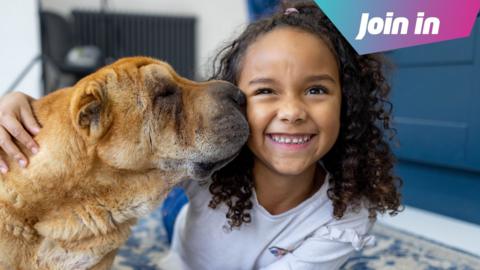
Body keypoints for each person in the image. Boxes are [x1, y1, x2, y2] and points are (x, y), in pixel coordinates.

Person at [0, 1, 402, 269]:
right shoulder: (213, 168)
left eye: (316, 90)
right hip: (201, 205)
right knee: (177, 194)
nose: (293, 111)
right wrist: (19, 104)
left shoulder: (348, 214)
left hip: (205, 209)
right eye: (265, 90)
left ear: (348, 104)